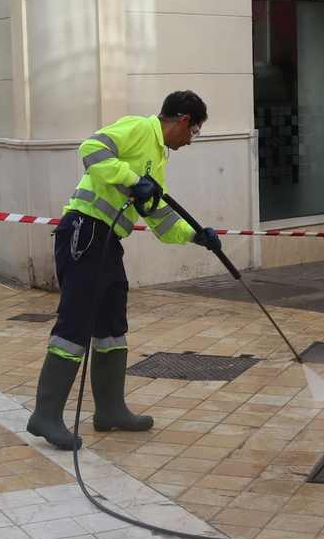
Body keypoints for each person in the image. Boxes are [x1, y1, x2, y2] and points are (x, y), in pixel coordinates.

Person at [25, 91, 220, 450]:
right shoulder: (139, 128)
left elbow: (160, 219)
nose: (190, 142)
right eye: (194, 133)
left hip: (109, 242)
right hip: (85, 232)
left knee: (112, 325)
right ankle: (45, 415)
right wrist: (132, 179)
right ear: (184, 121)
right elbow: (91, 149)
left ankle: (110, 410)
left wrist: (197, 236)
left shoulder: (157, 161)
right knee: (75, 323)